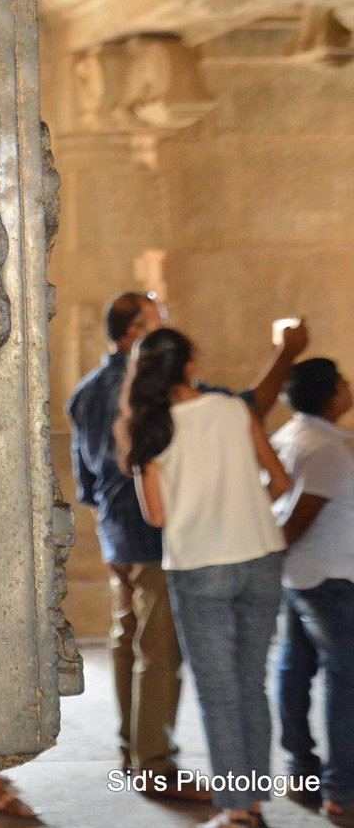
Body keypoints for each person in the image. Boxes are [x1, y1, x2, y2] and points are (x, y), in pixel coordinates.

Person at [124, 328, 292, 828]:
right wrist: (244, 501)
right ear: (191, 365)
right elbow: (280, 480)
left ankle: (236, 810)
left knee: (219, 693)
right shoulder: (235, 409)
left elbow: (157, 516)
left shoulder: (152, 429)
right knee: (252, 684)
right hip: (262, 555)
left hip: (200, 564)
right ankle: (253, 801)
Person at [68, 293, 208, 800]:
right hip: (153, 529)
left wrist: (108, 525)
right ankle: (155, 765)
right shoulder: (145, 387)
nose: (164, 331)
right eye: (156, 323)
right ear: (133, 333)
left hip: (115, 531)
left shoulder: (84, 390)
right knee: (159, 648)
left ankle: (132, 750)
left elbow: (85, 481)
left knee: (127, 638)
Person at [271, 358, 354, 826]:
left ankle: (301, 769)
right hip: (331, 579)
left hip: (301, 576)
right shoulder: (326, 449)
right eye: (342, 381)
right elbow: (295, 523)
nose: (348, 386)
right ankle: (342, 788)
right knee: (346, 680)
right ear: (329, 394)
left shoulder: (289, 435)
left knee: (295, 668)